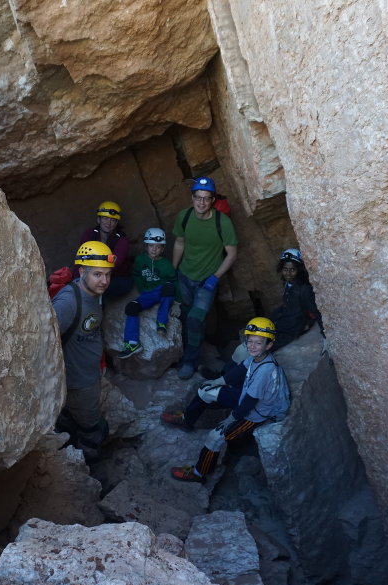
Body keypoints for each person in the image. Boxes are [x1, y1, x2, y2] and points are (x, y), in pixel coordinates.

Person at [162, 317, 290, 482]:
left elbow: (248, 404)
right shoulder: (256, 357)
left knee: (215, 437)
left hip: (254, 413)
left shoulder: (265, 371)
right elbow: (238, 371)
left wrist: (230, 419)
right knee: (204, 391)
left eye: (258, 343)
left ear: (269, 345)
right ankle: (188, 420)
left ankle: (199, 473)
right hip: (245, 397)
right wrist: (217, 382)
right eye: (250, 341)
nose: (252, 346)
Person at [52, 241, 115, 458]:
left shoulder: (95, 294)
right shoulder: (68, 303)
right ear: (82, 272)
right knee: (92, 429)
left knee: (73, 421)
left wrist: (101, 360)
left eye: (107, 275)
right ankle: (87, 467)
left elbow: (93, 330)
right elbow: (46, 342)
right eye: (98, 274)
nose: (104, 281)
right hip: (78, 383)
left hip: (88, 375)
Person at [171, 176, 238, 379]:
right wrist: (173, 271)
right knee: (183, 316)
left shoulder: (222, 222)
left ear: (213, 200)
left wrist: (215, 277)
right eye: (198, 197)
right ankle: (182, 355)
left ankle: (190, 362)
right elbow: (180, 243)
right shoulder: (184, 216)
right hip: (184, 277)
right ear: (192, 197)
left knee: (195, 319)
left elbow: (232, 253)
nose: (201, 202)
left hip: (205, 282)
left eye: (206, 198)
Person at [119, 227, 176, 359]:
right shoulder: (140, 260)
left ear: (162, 248)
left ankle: (161, 322)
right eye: (151, 246)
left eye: (158, 247)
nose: (154, 249)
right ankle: (132, 343)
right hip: (147, 295)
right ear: (146, 246)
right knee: (131, 308)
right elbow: (136, 275)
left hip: (162, 292)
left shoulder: (166, 264)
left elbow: (175, 282)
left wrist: (177, 302)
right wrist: (142, 288)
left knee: (169, 287)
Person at [269, 248, 324, 351]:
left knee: (265, 346)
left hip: (293, 327)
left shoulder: (304, 290)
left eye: (292, 269)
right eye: (285, 269)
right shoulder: (288, 283)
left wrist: (325, 335)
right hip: (285, 319)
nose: (288, 273)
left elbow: (315, 312)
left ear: (299, 270)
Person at [80, 201, 132, 298]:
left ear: (116, 223)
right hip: (93, 274)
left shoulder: (122, 240)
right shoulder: (89, 234)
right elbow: (81, 258)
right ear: (98, 220)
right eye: (105, 218)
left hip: (116, 278)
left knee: (99, 286)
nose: (108, 223)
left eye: (112, 220)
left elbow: (114, 264)